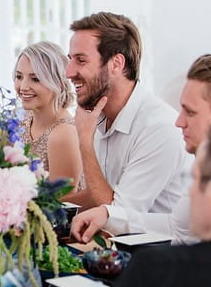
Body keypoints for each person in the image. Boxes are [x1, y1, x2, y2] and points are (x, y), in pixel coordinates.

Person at [15, 130, 211, 287]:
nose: (189, 192)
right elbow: (174, 225)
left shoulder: (157, 271)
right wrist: (109, 215)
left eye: (196, 179)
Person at [72, 54, 211, 245]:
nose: (179, 122)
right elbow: (176, 228)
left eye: (191, 113)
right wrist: (108, 215)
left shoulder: (158, 128)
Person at [62, 12, 190, 212]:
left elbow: (118, 216)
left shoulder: (158, 128)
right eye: (71, 60)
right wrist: (40, 208)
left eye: (81, 60)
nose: (68, 72)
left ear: (116, 63)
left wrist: (85, 142)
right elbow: (99, 193)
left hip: (159, 242)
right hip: (117, 241)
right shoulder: (98, 115)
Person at [16, 41, 82, 189]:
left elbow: (61, 204)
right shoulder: (19, 121)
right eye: (19, 76)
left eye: (35, 79)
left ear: (57, 82)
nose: (23, 87)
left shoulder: (63, 134)